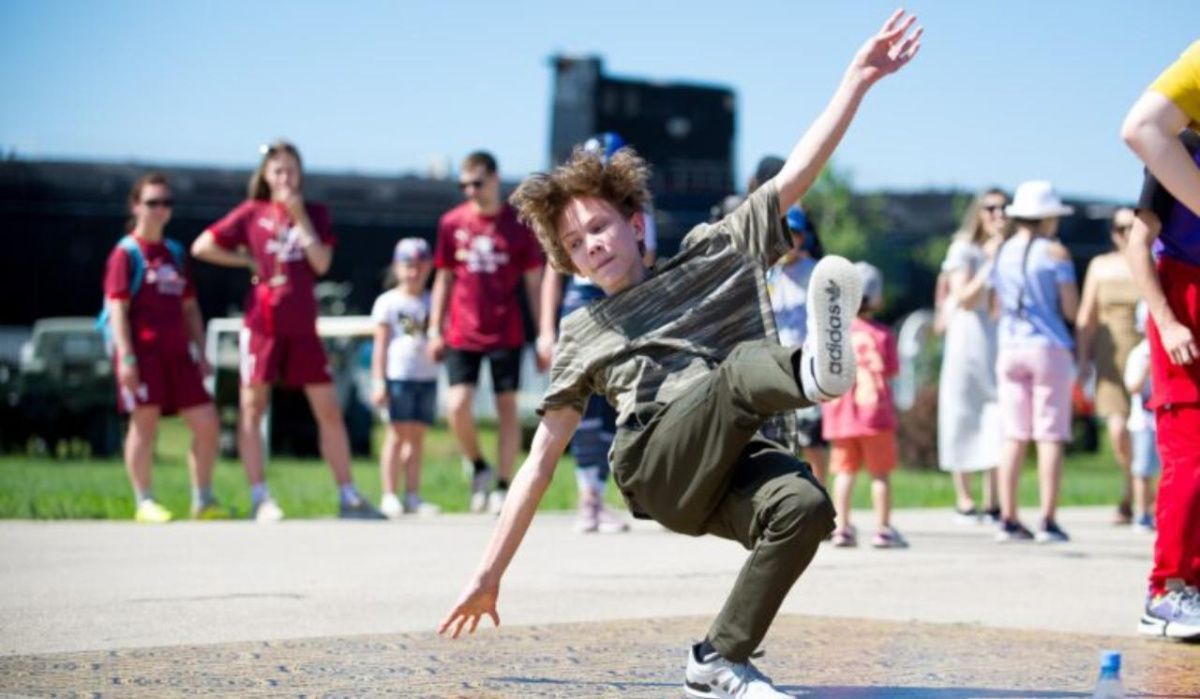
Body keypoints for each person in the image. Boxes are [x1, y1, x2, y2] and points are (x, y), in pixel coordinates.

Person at [439, 11, 920, 697]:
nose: (593, 245)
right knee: (735, 377)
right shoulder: (586, 329)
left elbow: (795, 175)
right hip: (657, 467)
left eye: (601, 227)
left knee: (805, 507)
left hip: (727, 465)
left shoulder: (712, 252)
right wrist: (488, 572)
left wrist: (858, 81)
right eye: (577, 244)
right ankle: (811, 372)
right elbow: (541, 460)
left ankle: (718, 657)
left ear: (635, 223)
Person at [191, 141, 382, 521]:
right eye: (277, 170)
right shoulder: (251, 213)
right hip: (262, 324)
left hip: (303, 324)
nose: (285, 177)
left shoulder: (315, 213)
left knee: (327, 407)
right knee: (253, 407)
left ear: (301, 174)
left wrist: (300, 218)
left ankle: (348, 494)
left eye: (291, 170)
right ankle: (260, 495)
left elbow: (322, 262)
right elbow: (202, 246)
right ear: (265, 175)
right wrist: (244, 257)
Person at [103, 173, 227, 523]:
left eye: (166, 203)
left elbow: (189, 307)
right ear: (136, 206)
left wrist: (201, 352)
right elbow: (117, 309)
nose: (160, 210)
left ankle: (203, 499)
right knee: (145, 422)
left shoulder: (174, 253)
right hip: (142, 353)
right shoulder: (125, 254)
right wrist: (125, 358)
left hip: (178, 354)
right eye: (152, 202)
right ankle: (144, 501)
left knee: (207, 422)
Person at [1123, 76, 1200, 638]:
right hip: (1181, 301)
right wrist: (1168, 321)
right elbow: (1135, 244)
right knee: (1189, 454)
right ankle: (1166, 592)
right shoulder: (1178, 149)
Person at [427, 151, 545, 514]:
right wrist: (434, 327)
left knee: (506, 407)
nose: (471, 190)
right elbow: (443, 278)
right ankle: (478, 464)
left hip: (505, 330)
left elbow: (534, 285)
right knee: (457, 404)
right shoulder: (451, 223)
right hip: (462, 330)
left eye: (477, 182)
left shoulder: (518, 225)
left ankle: (503, 484)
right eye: (464, 184)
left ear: (494, 179)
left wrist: (543, 334)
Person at [536, 135, 636, 534]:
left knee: (614, 405)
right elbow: (552, 271)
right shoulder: (570, 210)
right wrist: (546, 330)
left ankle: (597, 496)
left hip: (620, 309)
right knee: (581, 409)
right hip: (582, 307)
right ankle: (587, 501)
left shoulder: (632, 210)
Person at [990, 180, 1079, 543]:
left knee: (1013, 434)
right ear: (1046, 218)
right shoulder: (1056, 253)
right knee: (1049, 435)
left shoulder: (1002, 251)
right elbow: (1070, 307)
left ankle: (1008, 516)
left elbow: (995, 307)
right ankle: (1047, 518)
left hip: (1010, 345)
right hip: (1048, 346)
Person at [822, 262, 904, 548]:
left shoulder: (835, 336)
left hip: (840, 416)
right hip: (875, 416)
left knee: (844, 474)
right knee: (879, 475)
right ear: (877, 298)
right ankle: (883, 529)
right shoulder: (883, 335)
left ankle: (842, 528)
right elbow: (892, 372)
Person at [937, 189, 1007, 524]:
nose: (999, 214)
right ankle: (964, 498)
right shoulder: (963, 249)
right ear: (978, 212)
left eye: (1004, 208)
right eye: (991, 208)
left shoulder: (1008, 249)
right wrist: (989, 261)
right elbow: (963, 297)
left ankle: (994, 499)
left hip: (996, 336)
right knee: (961, 411)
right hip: (967, 335)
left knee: (997, 414)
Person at [1075, 207, 1141, 524]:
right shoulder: (1100, 266)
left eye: (1133, 227)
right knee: (1118, 430)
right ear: (1113, 233)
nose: (1127, 234)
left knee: (1149, 431)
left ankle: (1141, 497)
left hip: (1147, 357)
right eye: (1121, 228)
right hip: (1110, 357)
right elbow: (1086, 317)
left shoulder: (1151, 262)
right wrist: (1083, 359)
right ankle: (1131, 485)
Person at [370, 238, 442, 518]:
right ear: (397, 267)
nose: (415, 272)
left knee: (417, 437)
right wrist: (379, 381)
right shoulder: (388, 302)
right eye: (408, 265)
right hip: (398, 375)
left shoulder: (434, 300)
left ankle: (412, 494)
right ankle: (389, 493)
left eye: (421, 266)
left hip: (427, 375)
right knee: (397, 435)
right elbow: (381, 344)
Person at [767, 204, 830, 484]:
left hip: (805, 365)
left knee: (810, 437)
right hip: (774, 366)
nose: (786, 240)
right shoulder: (768, 273)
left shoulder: (815, 271)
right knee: (778, 439)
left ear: (802, 237)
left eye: (792, 233)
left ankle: (819, 492)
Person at [1123, 301, 1159, 533]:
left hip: (1163, 420)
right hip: (1143, 422)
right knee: (1142, 469)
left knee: (1168, 471)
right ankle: (1141, 512)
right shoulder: (1139, 354)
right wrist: (1148, 369)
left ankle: (1159, 511)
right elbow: (1133, 387)